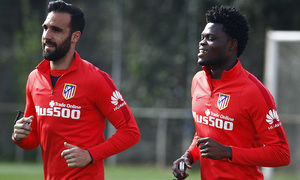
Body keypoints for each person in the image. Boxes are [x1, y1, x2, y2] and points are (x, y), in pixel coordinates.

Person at [11, 1, 140, 179]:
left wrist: (90, 155)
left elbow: (130, 132)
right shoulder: (34, 78)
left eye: (56, 30)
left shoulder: (96, 79)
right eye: (45, 28)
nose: (47, 35)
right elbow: (32, 141)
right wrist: (19, 136)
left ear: (75, 37)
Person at [172, 6, 290, 180]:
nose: (202, 42)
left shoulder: (255, 92)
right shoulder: (198, 81)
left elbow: (281, 154)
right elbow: (204, 133)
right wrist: (189, 155)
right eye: (202, 37)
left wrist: (228, 152)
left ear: (232, 45)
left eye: (211, 38)